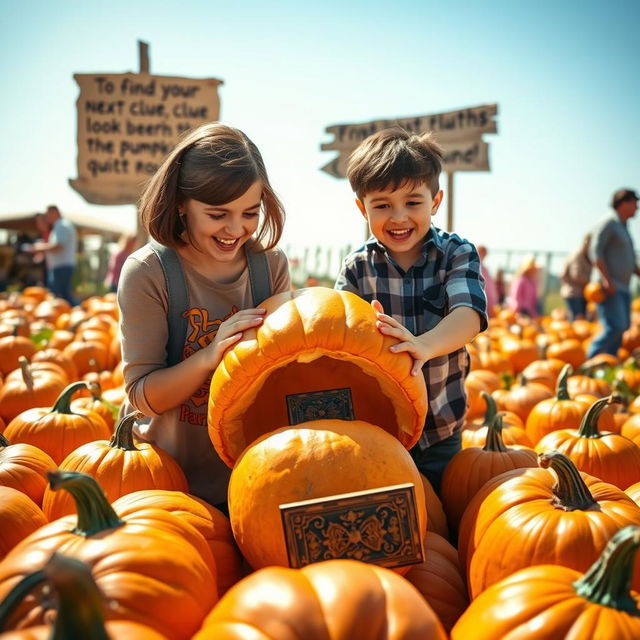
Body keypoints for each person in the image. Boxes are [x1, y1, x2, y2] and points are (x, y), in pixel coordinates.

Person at [118, 123, 290, 510]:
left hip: (253, 480)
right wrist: (212, 355)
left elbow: (283, 376)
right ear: (181, 203)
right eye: (217, 214)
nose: (235, 229)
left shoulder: (270, 267)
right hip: (166, 485)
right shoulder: (148, 272)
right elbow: (142, 395)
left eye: (250, 212)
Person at [334, 128, 487, 495]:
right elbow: (336, 335)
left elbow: (468, 315)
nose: (399, 217)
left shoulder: (456, 254)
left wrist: (423, 345)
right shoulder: (357, 268)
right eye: (383, 205)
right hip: (378, 432)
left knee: (444, 523)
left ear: (435, 201)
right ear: (362, 207)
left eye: (413, 203)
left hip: (440, 428)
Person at [587, 188, 639, 357]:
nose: (637, 207)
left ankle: (608, 360)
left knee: (623, 327)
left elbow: (628, 259)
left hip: (623, 287)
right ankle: (591, 359)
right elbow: (596, 251)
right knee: (615, 326)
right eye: (634, 203)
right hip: (609, 286)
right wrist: (605, 279)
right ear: (623, 203)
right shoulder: (609, 223)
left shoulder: (624, 227)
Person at [27, 205, 77, 303]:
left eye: (47, 214)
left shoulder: (61, 225)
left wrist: (38, 247)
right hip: (61, 265)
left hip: (61, 266)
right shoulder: (60, 225)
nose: (46, 217)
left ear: (54, 213)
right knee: (62, 296)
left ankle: (79, 312)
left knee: (59, 297)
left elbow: (57, 245)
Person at [559, 233, 592, 320]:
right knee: (577, 318)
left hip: (581, 293)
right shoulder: (577, 255)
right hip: (573, 293)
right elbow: (576, 275)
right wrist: (591, 282)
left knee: (580, 319)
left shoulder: (587, 256)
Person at [477, 245, 498, 316]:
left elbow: (489, 288)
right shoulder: (475, 266)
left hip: (486, 302)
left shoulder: (484, 268)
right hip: (480, 302)